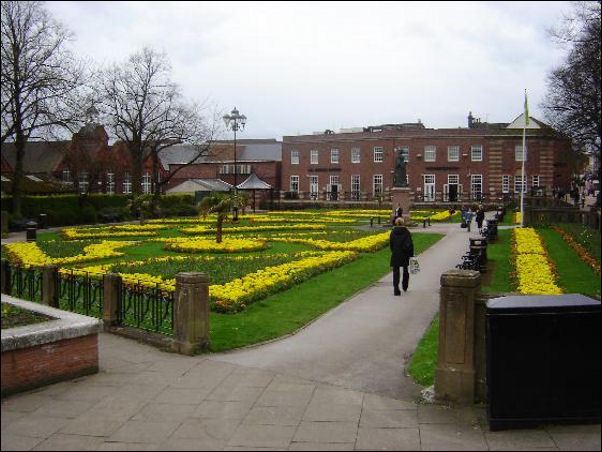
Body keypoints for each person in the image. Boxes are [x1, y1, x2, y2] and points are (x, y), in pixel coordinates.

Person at [390, 217, 414, 295]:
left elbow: (391, 244)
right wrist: (411, 255)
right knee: (405, 270)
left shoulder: (393, 232)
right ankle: (405, 285)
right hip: (405, 254)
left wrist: (394, 251)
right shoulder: (406, 232)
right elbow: (410, 244)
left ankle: (396, 288)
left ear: (396, 223)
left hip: (396, 254)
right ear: (403, 223)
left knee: (395, 272)